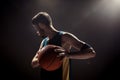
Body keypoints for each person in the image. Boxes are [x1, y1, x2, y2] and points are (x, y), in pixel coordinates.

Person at [31, 12, 96, 80]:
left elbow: (91, 53)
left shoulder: (64, 37)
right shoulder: (44, 42)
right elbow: (33, 63)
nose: (37, 32)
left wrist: (69, 55)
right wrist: (43, 58)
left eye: (36, 28)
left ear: (41, 25)